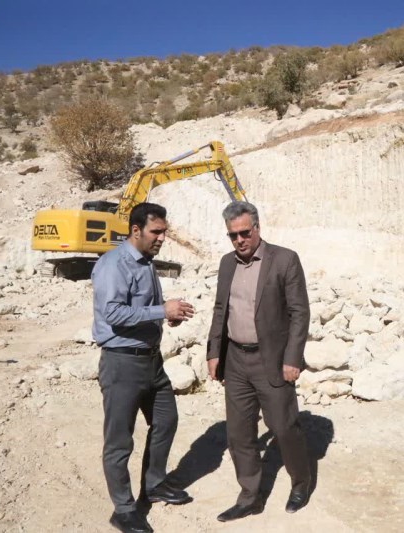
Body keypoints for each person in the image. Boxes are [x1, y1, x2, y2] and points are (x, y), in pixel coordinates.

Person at [92, 202, 196, 533]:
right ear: (136, 230)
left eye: (164, 231)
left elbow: (144, 308)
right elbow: (113, 313)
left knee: (166, 421)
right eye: (156, 232)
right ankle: (123, 510)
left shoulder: (146, 262)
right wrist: (160, 311)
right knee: (119, 441)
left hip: (151, 360)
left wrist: (167, 316)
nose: (162, 237)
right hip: (122, 363)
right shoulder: (113, 264)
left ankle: (154, 484)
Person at [206, 201, 312, 522]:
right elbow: (220, 310)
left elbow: (299, 312)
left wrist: (292, 358)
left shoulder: (284, 260)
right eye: (233, 235)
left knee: (283, 426)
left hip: (273, 360)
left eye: (244, 233)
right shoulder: (227, 264)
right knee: (239, 432)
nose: (239, 240)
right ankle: (249, 496)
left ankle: (301, 482)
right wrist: (214, 352)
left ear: (257, 228)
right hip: (236, 360)